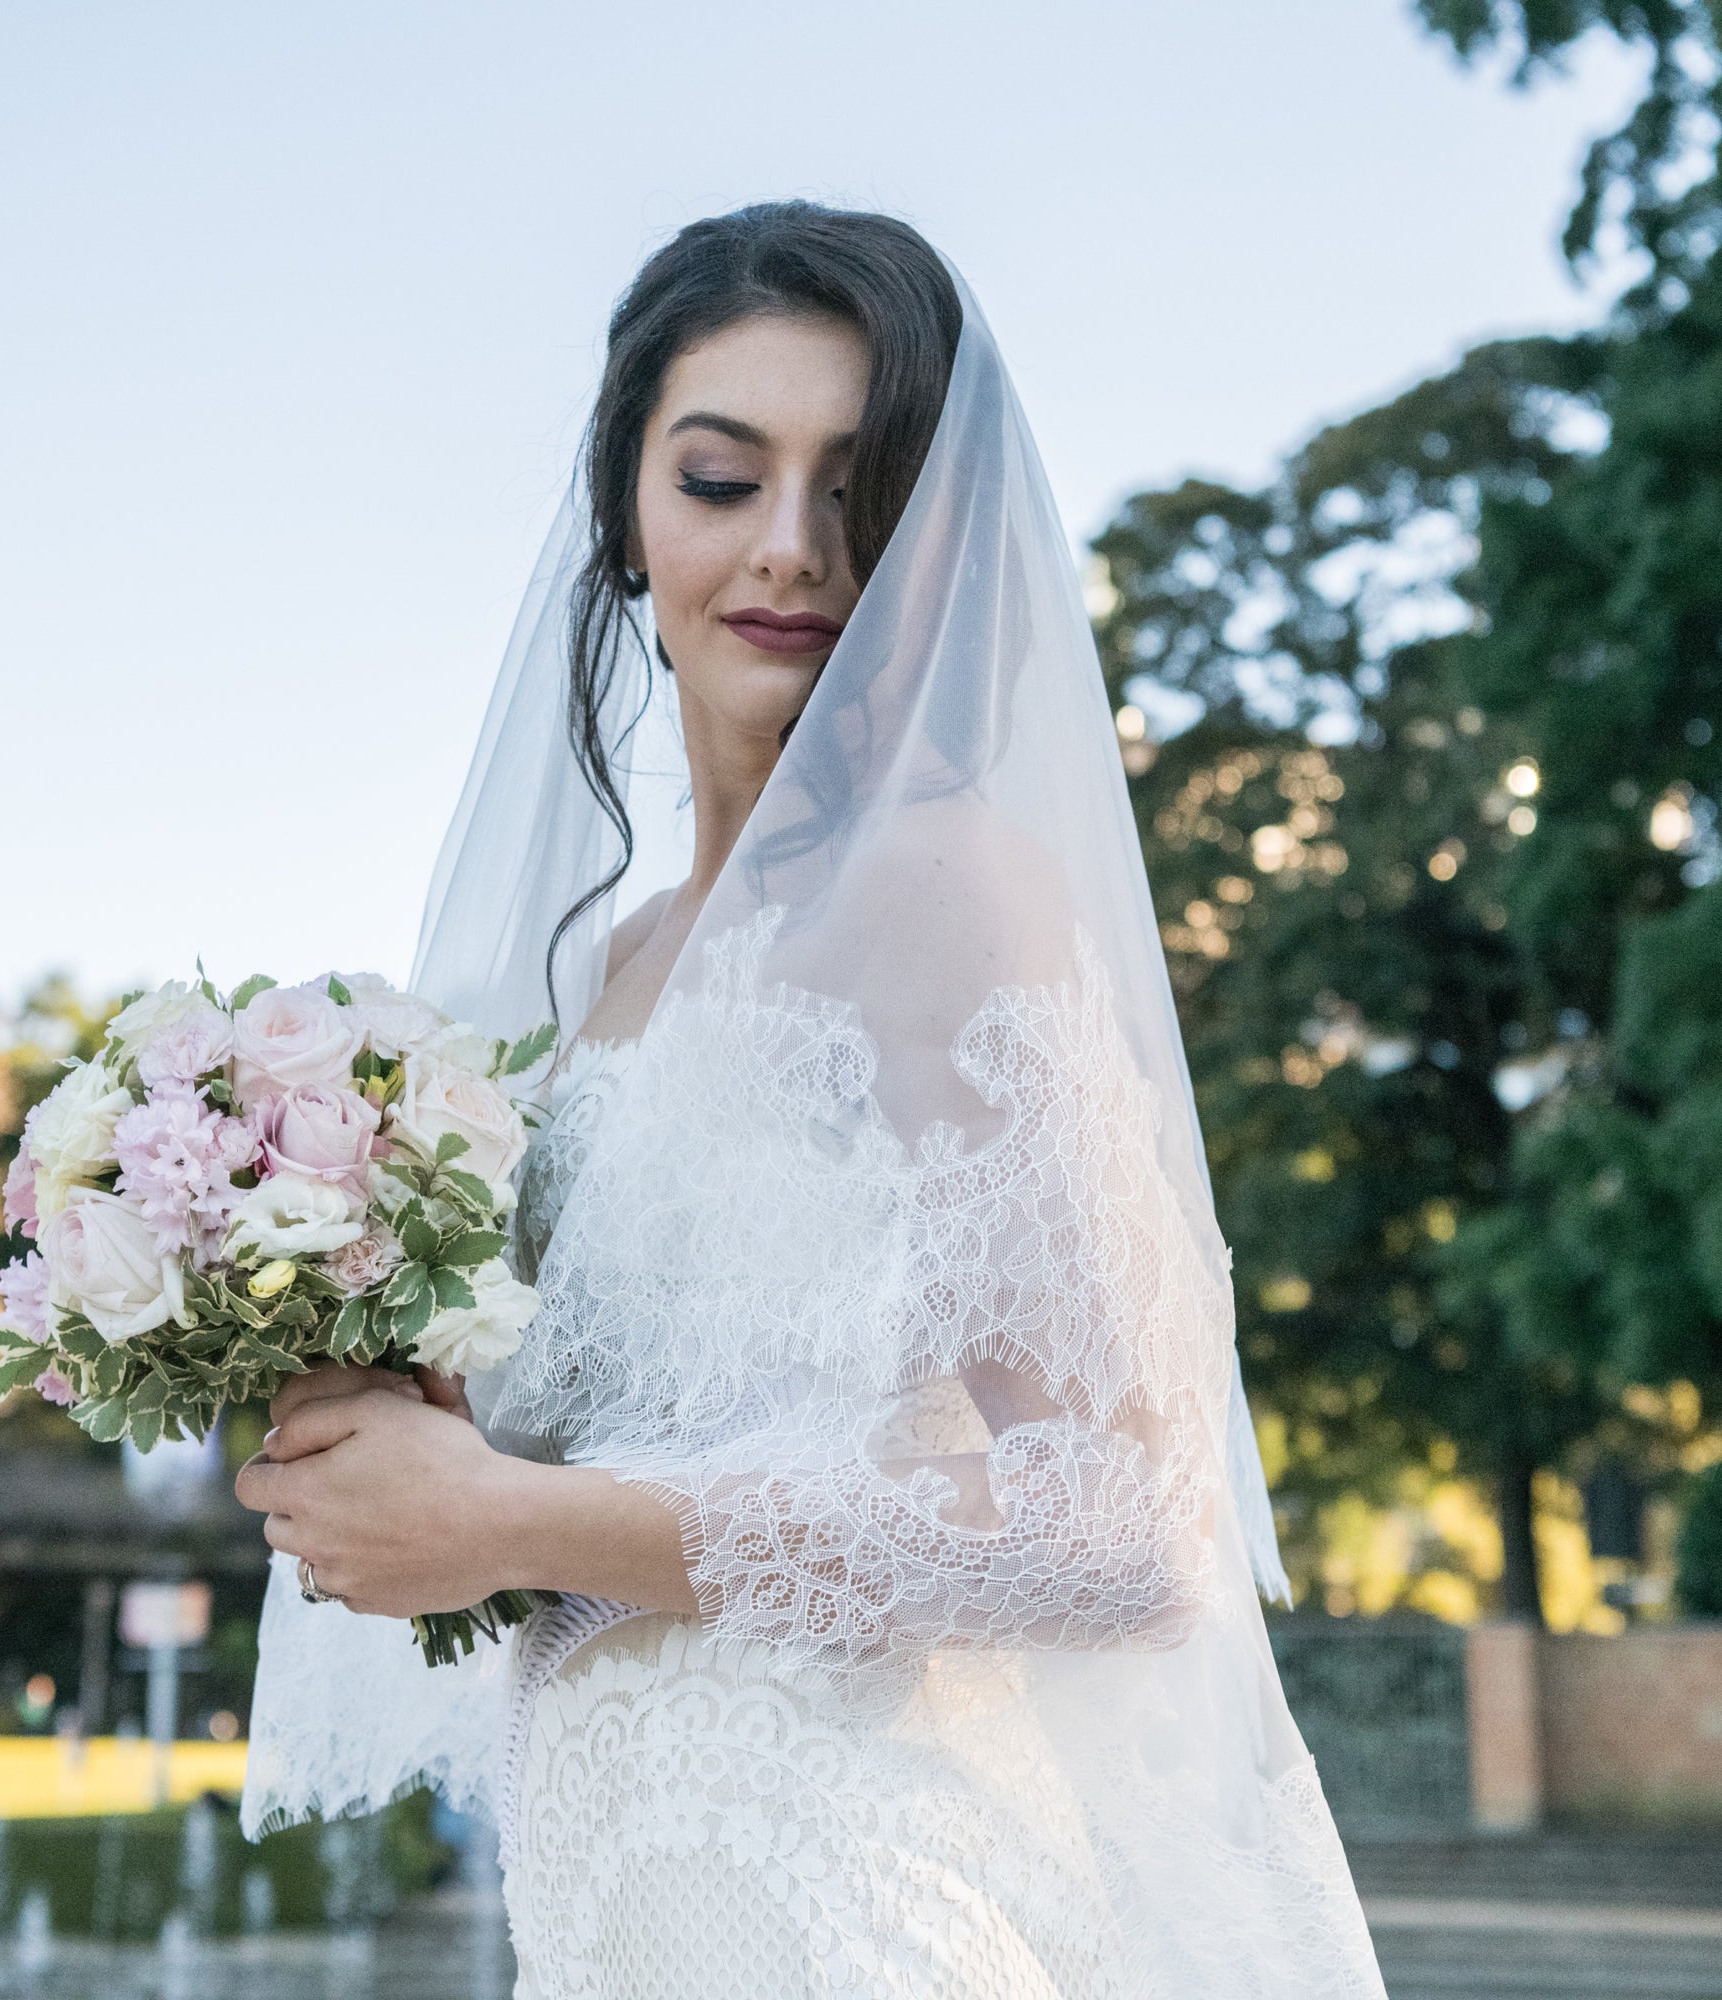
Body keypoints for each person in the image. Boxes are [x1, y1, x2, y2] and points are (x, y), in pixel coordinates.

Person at [234, 202, 1386, 1998]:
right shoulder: (606, 977)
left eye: (861, 491)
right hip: (618, 1908)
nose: (793, 548)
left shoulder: (948, 886)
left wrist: (515, 1518)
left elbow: (1125, 1534)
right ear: (625, 520)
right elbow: (619, 1482)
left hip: (857, 1895)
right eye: (720, 478)